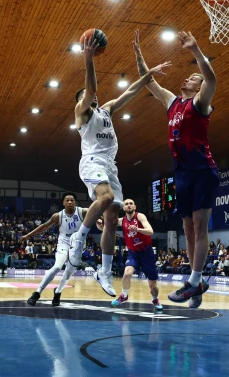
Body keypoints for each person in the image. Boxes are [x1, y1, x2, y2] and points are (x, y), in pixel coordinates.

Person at [68, 34, 171, 297]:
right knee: (106, 197)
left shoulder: (106, 109)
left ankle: (103, 272)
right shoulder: (82, 113)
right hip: (92, 161)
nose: (92, 97)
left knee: (112, 220)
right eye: (86, 96)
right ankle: (79, 237)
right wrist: (88, 59)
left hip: (110, 166)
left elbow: (131, 91)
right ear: (80, 101)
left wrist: (149, 73)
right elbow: (90, 90)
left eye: (92, 96)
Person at [133, 29, 218, 308]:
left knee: (199, 226)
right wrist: (139, 54)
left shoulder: (200, 103)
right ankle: (197, 283)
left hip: (202, 170)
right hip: (181, 173)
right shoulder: (172, 102)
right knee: (187, 228)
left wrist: (195, 50)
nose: (186, 79)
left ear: (199, 87)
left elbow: (211, 78)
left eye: (192, 78)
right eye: (188, 77)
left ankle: (194, 282)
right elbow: (149, 82)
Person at [20, 192, 88, 306]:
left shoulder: (83, 212)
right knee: (57, 267)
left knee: (69, 272)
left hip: (78, 245)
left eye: (72, 200)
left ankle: (58, 291)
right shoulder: (58, 216)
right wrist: (28, 235)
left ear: (75, 202)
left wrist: (105, 227)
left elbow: (100, 218)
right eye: (67, 200)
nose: (70, 202)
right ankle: (37, 292)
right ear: (63, 202)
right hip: (64, 244)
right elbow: (44, 226)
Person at [101, 199, 163, 312]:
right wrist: (100, 225)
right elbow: (106, 228)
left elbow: (150, 231)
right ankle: (124, 296)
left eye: (131, 204)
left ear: (134, 206)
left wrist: (138, 229)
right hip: (133, 253)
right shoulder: (121, 221)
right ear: (123, 208)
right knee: (127, 274)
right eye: (126, 204)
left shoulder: (140, 216)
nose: (129, 205)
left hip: (147, 253)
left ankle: (155, 299)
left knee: (153, 286)